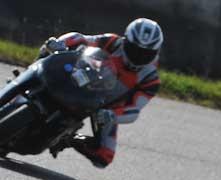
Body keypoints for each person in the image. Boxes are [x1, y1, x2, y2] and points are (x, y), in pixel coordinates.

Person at [38, 18, 164, 168]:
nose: (139, 57)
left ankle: (67, 139)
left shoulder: (151, 79)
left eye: (146, 53)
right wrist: (61, 44)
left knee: (104, 156)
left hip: (103, 107)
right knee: (48, 54)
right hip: (83, 79)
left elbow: (134, 109)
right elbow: (80, 38)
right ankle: (28, 77)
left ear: (155, 52)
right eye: (135, 49)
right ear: (126, 41)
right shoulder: (113, 42)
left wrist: (112, 115)